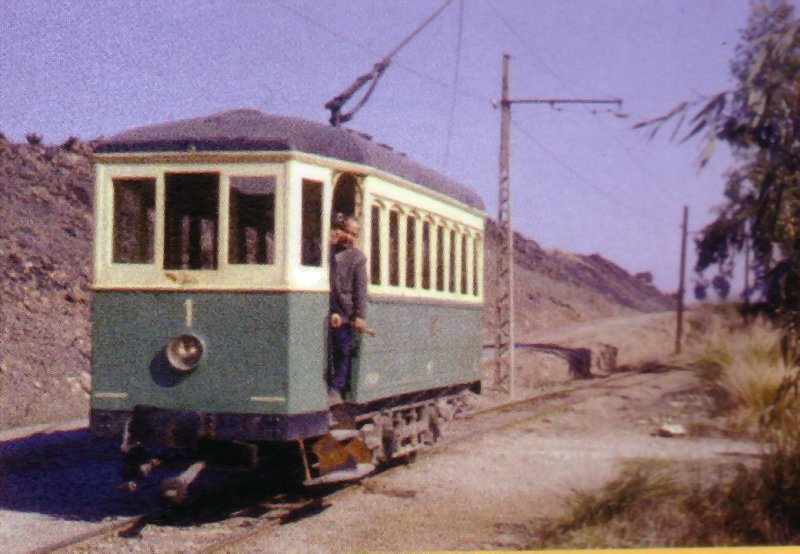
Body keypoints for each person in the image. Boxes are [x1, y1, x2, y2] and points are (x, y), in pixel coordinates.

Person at [328, 214, 368, 405]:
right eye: (346, 232)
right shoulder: (327, 252)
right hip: (326, 308)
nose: (348, 237)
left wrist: (359, 316)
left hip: (345, 313)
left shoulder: (358, 259)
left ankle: (336, 389)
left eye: (353, 234)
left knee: (343, 349)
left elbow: (360, 290)